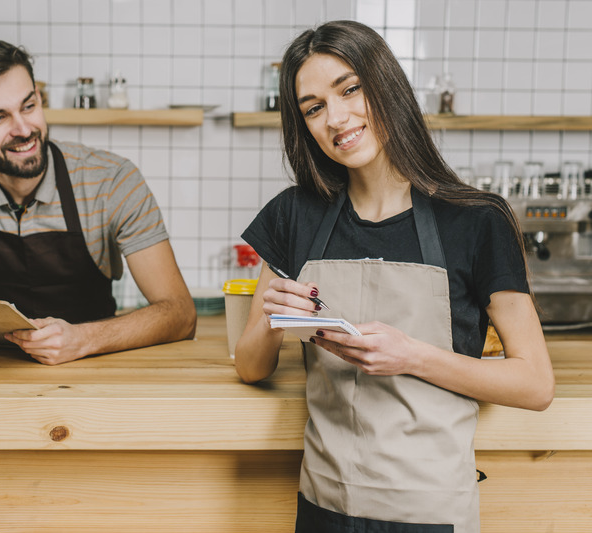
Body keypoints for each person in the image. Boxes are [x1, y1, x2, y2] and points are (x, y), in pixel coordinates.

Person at [235, 21, 554, 532]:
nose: (336, 118)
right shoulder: (295, 215)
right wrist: (273, 316)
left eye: (350, 89)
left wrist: (412, 356)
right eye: (313, 108)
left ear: (385, 85)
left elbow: (536, 383)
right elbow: (251, 366)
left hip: (429, 513)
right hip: (324, 504)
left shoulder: (476, 220)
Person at [0, 40, 196, 365]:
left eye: (29, 106)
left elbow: (181, 314)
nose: (24, 129)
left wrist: (85, 339)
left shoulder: (112, 180)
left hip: (94, 367)